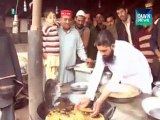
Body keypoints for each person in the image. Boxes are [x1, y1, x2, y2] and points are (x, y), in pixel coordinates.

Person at [76, 30, 153, 117]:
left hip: (141, 76)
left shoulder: (124, 50)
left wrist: (99, 100)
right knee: (127, 106)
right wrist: (88, 97)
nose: (102, 54)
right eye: (100, 51)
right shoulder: (101, 51)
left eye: (104, 51)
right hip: (125, 77)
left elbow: (115, 79)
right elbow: (96, 74)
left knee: (140, 106)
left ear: (112, 46)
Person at [58, 10, 92, 84]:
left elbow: (80, 48)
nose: (67, 22)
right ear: (60, 19)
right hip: (56, 68)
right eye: (65, 19)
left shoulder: (75, 32)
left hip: (69, 69)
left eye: (69, 19)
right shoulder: (56, 30)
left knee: (68, 89)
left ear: (72, 20)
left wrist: (85, 58)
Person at [0, 16, 23, 120]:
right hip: (6, 84)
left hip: (6, 85)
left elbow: (12, 58)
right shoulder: (6, 37)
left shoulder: (6, 37)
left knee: (7, 111)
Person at [42, 8, 60, 80]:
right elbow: (43, 41)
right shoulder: (46, 28)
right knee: (49, 74)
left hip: (56, 55)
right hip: (49, 55)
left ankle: (53, 88)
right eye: (50, 17)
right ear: (46, 19)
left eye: (54, 17)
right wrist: (43, 51)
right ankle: (49, 88)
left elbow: (58, 24)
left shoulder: (55, 27)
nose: (53, 19)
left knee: (55, 73)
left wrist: (56, 23)